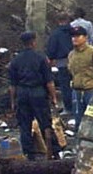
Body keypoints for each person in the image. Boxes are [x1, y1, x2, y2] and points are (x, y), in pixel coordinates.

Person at [8, 31, 58, 160]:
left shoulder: (16, 60)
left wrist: (13, 101)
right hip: (38, 93)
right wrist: (53, 97)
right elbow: (49, 81)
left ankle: (29, 154)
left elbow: (12, 85)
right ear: (34, 42)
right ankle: (53, 151)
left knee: (24, 125)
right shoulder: (41, 58)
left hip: (22, 93)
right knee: (45, 123)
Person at [67, 26, 93, 131]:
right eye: (73, 36)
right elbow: (70, 71)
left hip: (91, 89)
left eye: (78, 36)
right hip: (77, 90)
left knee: (92, 119)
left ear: (85, 37)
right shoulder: (71, 54)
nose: (75, 39)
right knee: (78, 117)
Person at [45, 14, 74, 116]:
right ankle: (80, 107)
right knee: (78, 85)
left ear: (59, 21)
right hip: (77, 61)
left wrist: (50, 58)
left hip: (62, 62)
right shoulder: (75, 32)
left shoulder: (56, 34)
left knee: (65, 86)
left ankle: (69, 108)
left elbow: (51, 49)